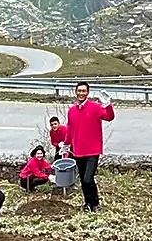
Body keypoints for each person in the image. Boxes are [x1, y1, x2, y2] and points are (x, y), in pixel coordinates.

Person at [64, 82, 115, 212]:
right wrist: (66, 145)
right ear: (76, 92)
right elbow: (69, 129)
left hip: (92, 150)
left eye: (84, 91)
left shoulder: (95, 107)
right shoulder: (71, 111)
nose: (81, 93)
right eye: (79, 91)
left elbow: (109, 117)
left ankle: (95, 203)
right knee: (82, 179)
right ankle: (87, 203)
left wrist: (108, 105)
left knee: (88, 178)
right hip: (78, 150)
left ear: (87, 93)